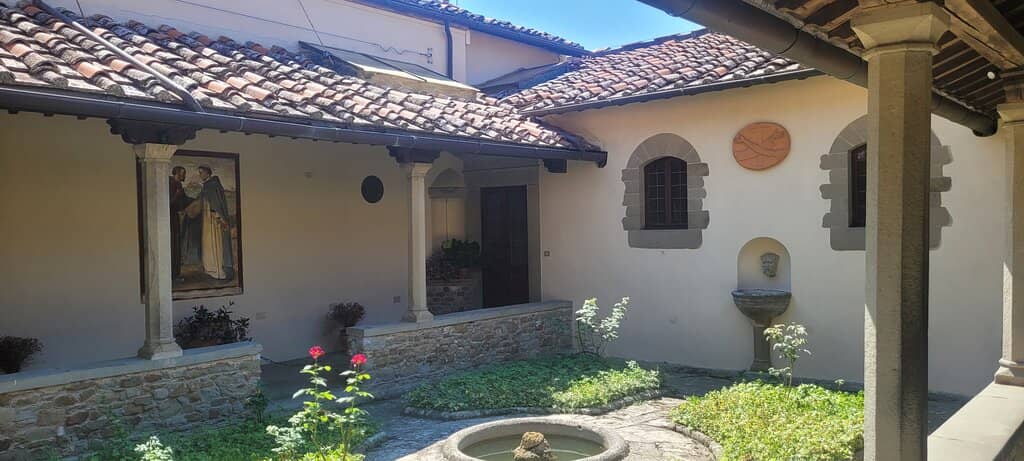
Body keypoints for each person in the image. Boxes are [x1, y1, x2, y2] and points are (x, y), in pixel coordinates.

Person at [183, 165, 235, 280]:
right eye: (199, 172)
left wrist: (218, 218)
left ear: (207, 173)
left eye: (201, 172)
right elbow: (202, 201)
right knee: (207, 244)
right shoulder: (206, 186)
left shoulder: (212, 185)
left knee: (213, 243)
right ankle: (209, 269)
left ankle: (217, 270)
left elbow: (215, 204)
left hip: (213, 221)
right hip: (207, 220)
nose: (200, 175)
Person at [169, 166, 191, 280]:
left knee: (176, 245)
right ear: (177, 173)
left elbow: (184, 200)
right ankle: (172, 275)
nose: (184, 176)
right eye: (183, 173)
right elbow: (167, 203)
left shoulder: (178, 185)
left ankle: (175, 274)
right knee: (172, 245)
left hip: (174, 219)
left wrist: (196, 200)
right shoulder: (169, 183)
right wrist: (177, 195)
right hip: (168, 219)